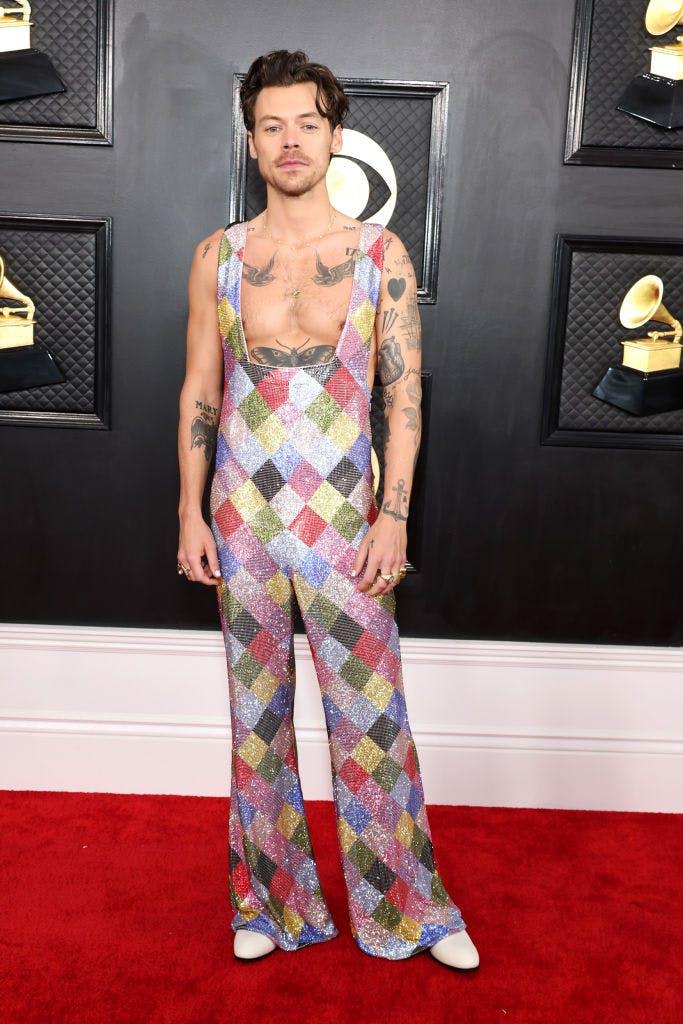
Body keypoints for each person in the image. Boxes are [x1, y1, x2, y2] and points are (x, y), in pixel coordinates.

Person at [176, 49, 479, 970]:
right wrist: (188, 513)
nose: (289, 140)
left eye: (306, 122)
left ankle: (412, 910)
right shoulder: (218, 256)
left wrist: (394, 515)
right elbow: (198, 386)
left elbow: (404, 396)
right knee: (254, 722)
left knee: (372, 719)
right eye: (271, 125)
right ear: (252, 140)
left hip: (347, 521)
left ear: (335, 135)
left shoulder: (378, 255)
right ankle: (268, 905)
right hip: (240, 519)